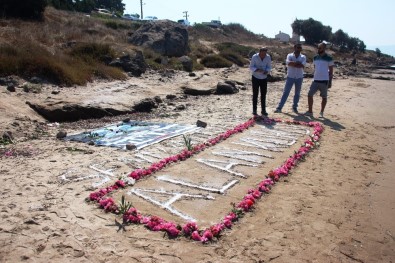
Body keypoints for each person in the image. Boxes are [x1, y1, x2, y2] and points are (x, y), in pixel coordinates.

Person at [274, 43, 306, 114]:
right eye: (298, 47)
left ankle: (295, 107)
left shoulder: (303, 56)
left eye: (300, 48)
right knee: (286, 92)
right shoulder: (289, 55)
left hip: (299, 77)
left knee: (297, 93)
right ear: (294, 47)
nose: (299, 49)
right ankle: (280, 107)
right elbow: (288, 63)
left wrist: (294, 63)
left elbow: (301, 65)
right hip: (290, 76)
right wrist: (296, 63)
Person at [306, 42, 334, 118]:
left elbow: (331, 71)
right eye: (318, 47)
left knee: (324, 97)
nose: (318, 49)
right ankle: (310, 111)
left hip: (324, 81)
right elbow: (315, 68)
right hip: (315, 80)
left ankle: (321, 112)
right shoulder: (315, 57)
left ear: (324, 48)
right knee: (309, 94)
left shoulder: (329, 58)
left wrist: (330, 81)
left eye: (320, 48)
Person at [249, 47, 272, 116]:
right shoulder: (254, 57)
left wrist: (267, 71)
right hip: (255, 77)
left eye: (264, 54)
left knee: (263, 94)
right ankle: (254, 110)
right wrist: (257, 70)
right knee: (255, 94)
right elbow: (251, 67)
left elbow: (269, 67)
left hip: (264, 78)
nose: (263, 56)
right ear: (259, 52)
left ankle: (263, 110)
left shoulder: (268, 57)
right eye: (262, 54)